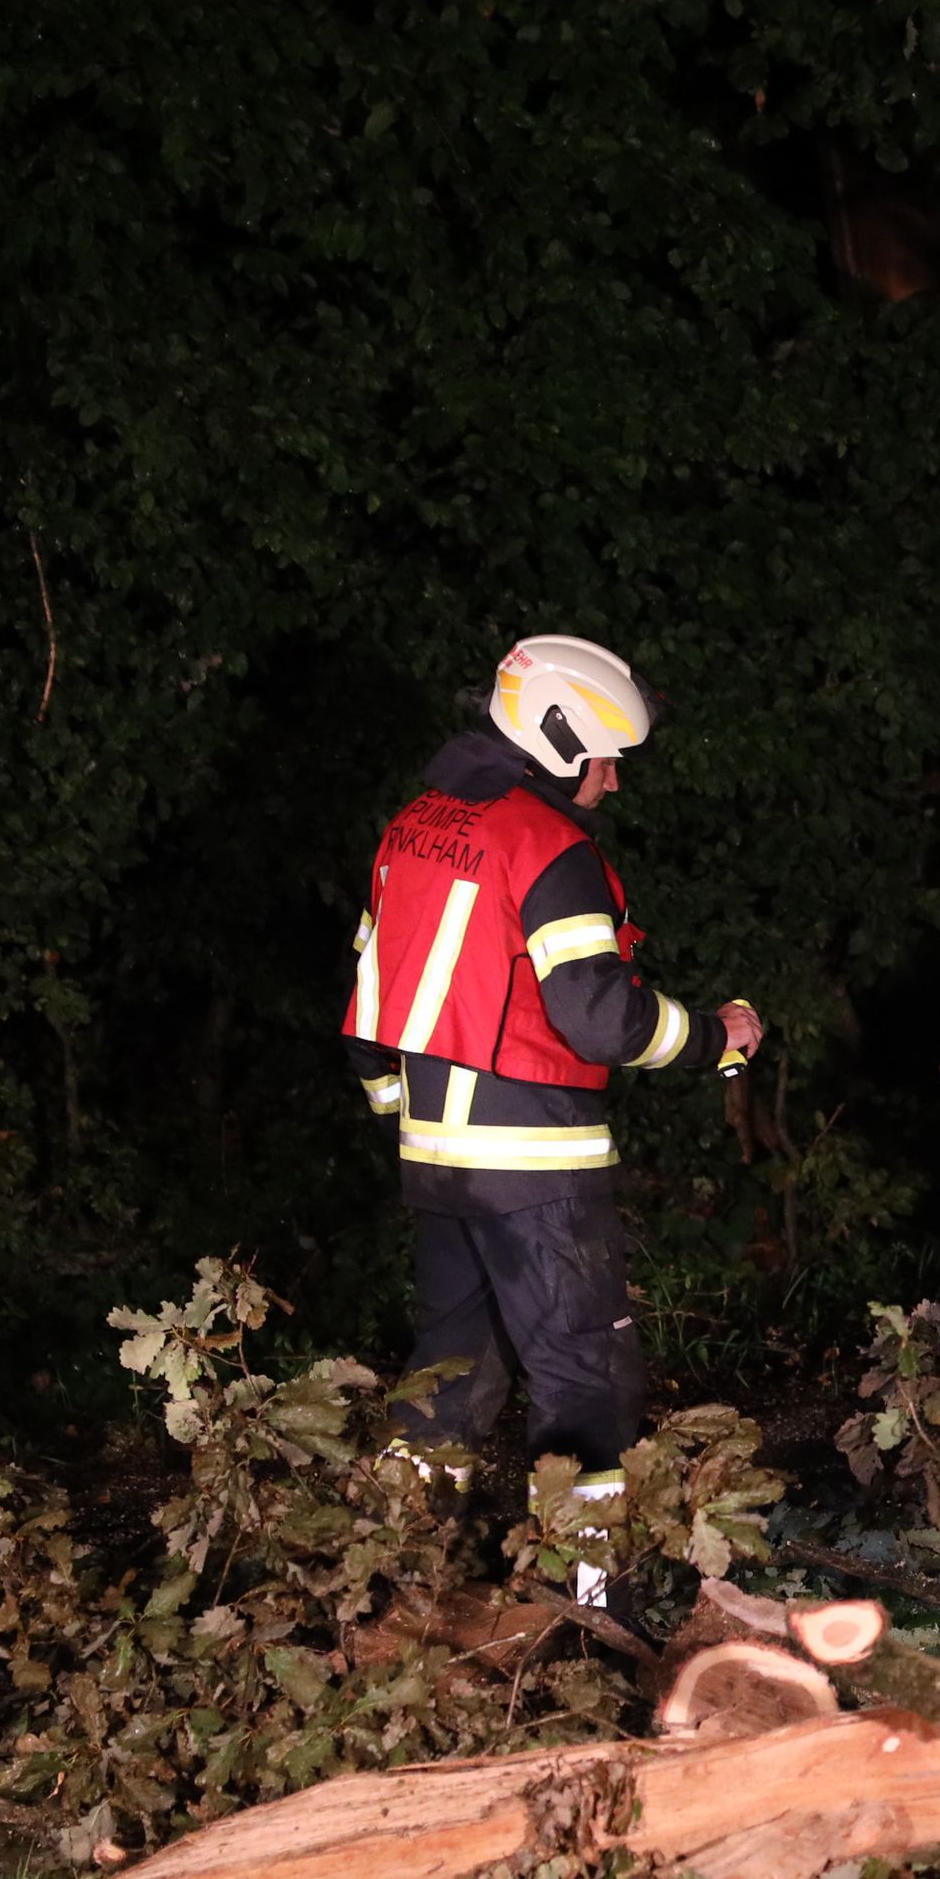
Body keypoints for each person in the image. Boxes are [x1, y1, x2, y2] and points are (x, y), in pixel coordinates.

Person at [339, 634, 762, 1598]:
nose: (612, 782)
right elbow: (598, 1016)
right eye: (607, 758)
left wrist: (402, 1112)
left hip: (435, 1162)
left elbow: (367, 1003)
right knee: (585, 1387)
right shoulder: (549, 846)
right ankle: (593, 1612)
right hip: (536, 1165)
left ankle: (390, 1587)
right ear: (561, 737)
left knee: (447, 1376)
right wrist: (713, 1039)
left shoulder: (414, 826)